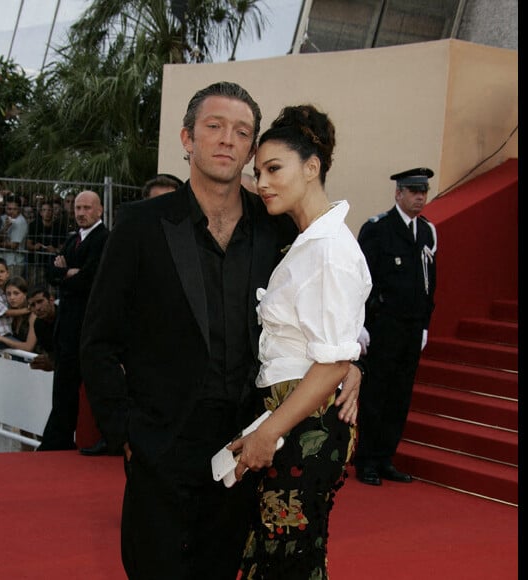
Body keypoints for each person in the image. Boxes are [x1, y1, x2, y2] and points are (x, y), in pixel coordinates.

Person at [79, 81, 362, 580]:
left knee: (228, 567)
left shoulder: (276, 224)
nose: (228, 140)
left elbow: (334, 298)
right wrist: (124, 432)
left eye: (242, 131)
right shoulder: (140, 225)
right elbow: (98, 338)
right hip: (161, 443)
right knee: (152, 566)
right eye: (214, 127)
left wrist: (352, 358)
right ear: (188, 139)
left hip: (247, 443)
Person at [224, 104, 372, 579]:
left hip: (303, 423)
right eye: (258, 172)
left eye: (273, 169)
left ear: (312, 168)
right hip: (293, 414)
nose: (262, 182)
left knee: (288, 557)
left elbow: (330, 363)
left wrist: (268, 432)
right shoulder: (307, 241)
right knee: (282, 554)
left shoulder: (328, 249)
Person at [354, 167, 437, 486]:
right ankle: (366, 460)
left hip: (412, 326)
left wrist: (426, 324)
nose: (419, 197)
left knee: (400, 395)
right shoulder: (378, 229)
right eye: (413, 191)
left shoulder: (428, 232)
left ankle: (386, 457)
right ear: (398, 193)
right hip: (382, 324)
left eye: (423, 192)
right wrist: (359, 324)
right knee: (376, 393)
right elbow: (361, 280)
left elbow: (431, 282)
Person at [37, 190, 109, 451]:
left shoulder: (104, 239)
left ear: (99, 210)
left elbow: (90, 278)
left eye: (87, 208)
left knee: (94, 387)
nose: (81, 213)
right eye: (77, 208)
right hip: (67, 327)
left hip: (88, 326)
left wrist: (64, 272)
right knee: (63, 387)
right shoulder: (72, 240)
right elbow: (51, 273)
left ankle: (108, 438)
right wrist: (68, 272)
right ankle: (58, 439)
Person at [0, 258, 29, 350]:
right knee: (23, 350)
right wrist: (27, 310)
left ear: (7, 273)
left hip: (7, 335)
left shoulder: (6, 289)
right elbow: (6, 312)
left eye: (2, 271)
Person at [0, 276, 38, 352]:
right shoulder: (9, 314)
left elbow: (28, 347)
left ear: (25, 294)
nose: (12, 297)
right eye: (8, 294)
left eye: (16, 293)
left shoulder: (33, 315)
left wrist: (1, 338)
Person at [25, 198, 66, 286]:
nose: (47, 213)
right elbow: (28, 244)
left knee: (51, 290)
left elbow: (63, 246)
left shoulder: (59, 226)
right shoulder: (34, 225)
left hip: (52, 263)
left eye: (49, 210)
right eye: (44, 210)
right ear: (40, 213)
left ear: (53, 212)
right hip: (36, 263)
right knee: (34, 287)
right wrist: (35, 247)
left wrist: (55, 250)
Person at [0, 192, 29, 278]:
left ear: (19, 209)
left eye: (14, 209)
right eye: (9, 209)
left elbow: (14, 245)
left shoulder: (20, 222)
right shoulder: (4, 218)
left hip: (14, 263)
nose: (11, 212)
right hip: (4, 261)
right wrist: (5, 228)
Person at [27, 285, 58, 372]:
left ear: (51, 300)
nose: (37, 308)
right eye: (33, 305)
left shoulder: (66, 316)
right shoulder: (38, 324)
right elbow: (50, 353)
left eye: (40, 301)